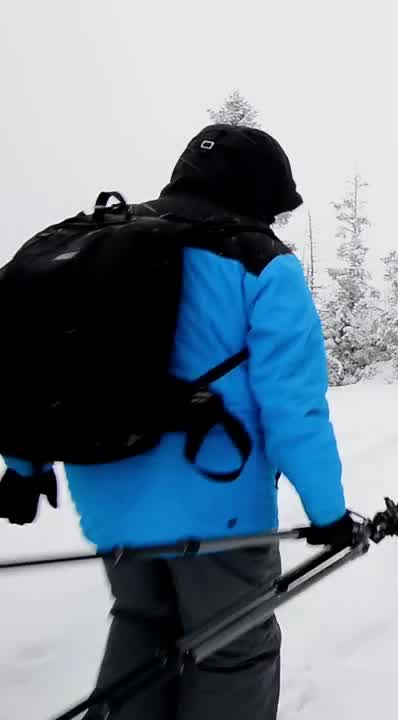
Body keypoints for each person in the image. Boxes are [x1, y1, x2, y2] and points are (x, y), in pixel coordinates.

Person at [0, 124, 356, 720]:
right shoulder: (264, 266)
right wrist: (329, 514)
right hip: (219, 505)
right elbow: (294, 409)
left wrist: (23, 464)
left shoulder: (105, 241)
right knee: (233, 652)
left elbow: (38, 360)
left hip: (106, 484)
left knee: (141, 628)